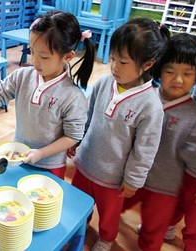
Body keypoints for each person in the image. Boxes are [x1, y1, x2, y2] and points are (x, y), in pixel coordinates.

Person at [0, 10, 96, 179]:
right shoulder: (23, 76)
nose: (35, 60)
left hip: (49, 165)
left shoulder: (73, 97)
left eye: (43, 57)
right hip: (16, 155)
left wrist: (41, 153)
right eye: (32, 51)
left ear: (67, 57)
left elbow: (72, 137)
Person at [67, 18, 170, 251]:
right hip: (85, 164)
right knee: (78, 204)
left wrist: (133, 181)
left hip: (113, 179)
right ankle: (78, 227)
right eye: (113, 58)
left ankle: (106, 238)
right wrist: (78, 138)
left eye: (122, 62)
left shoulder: (151, 106)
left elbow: (145, 150)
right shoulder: (104, 83)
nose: (114, 66)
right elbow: (88, 114)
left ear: (147, 64)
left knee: (109, 215)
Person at [122, 33, 196, 251]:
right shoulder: (146, 96)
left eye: (187, 73)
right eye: (170, 71)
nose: (178, 80)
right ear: (159, 69)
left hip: (165, 188)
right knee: (114, 206)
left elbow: (195, 158)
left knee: (153, 233)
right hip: (134, 177)